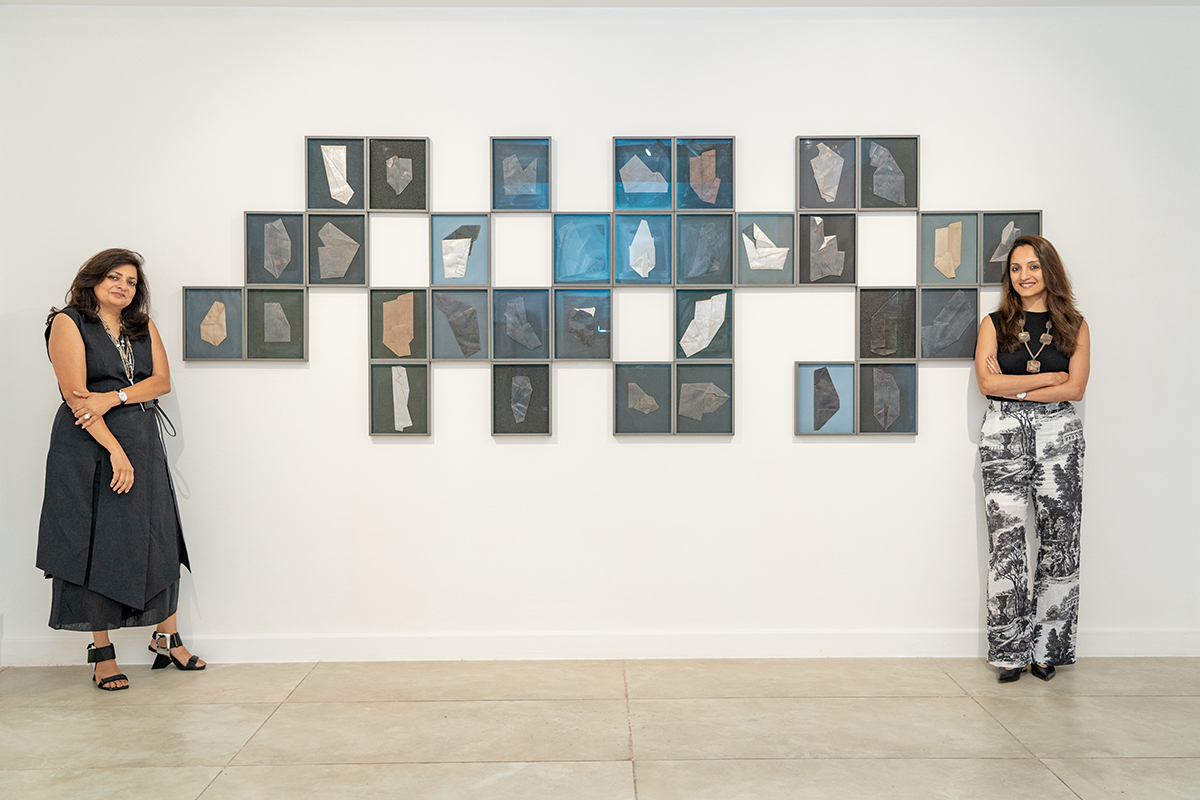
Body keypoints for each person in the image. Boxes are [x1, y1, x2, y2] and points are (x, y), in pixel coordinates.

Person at [39, 248, 204, 691]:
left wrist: (114, 397)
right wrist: (114, 450)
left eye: (131, 281)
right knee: (97, 545)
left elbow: (161, 382)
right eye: (114, 277)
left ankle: (166, 637)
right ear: (92, 279)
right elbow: (77, 397)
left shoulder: (141, 325)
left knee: (158, 535)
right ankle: (102, 654)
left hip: (141, 440)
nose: (123, 286)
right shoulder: (69, 323)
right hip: (89, 445)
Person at [974, 235, 1089, 683]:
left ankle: (1048, 650)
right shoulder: (994, 323)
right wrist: (1049, 378)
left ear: (1049, 271)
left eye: (1033, 267)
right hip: (1002, 433)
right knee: (1007, 542)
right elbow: (986, 383)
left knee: (1060, 538)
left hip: (1061, 434)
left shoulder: (1074, 325)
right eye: (1016, 268)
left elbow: (1075, 389)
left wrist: (1018, 384)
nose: (1024, 276)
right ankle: (1008, 652)